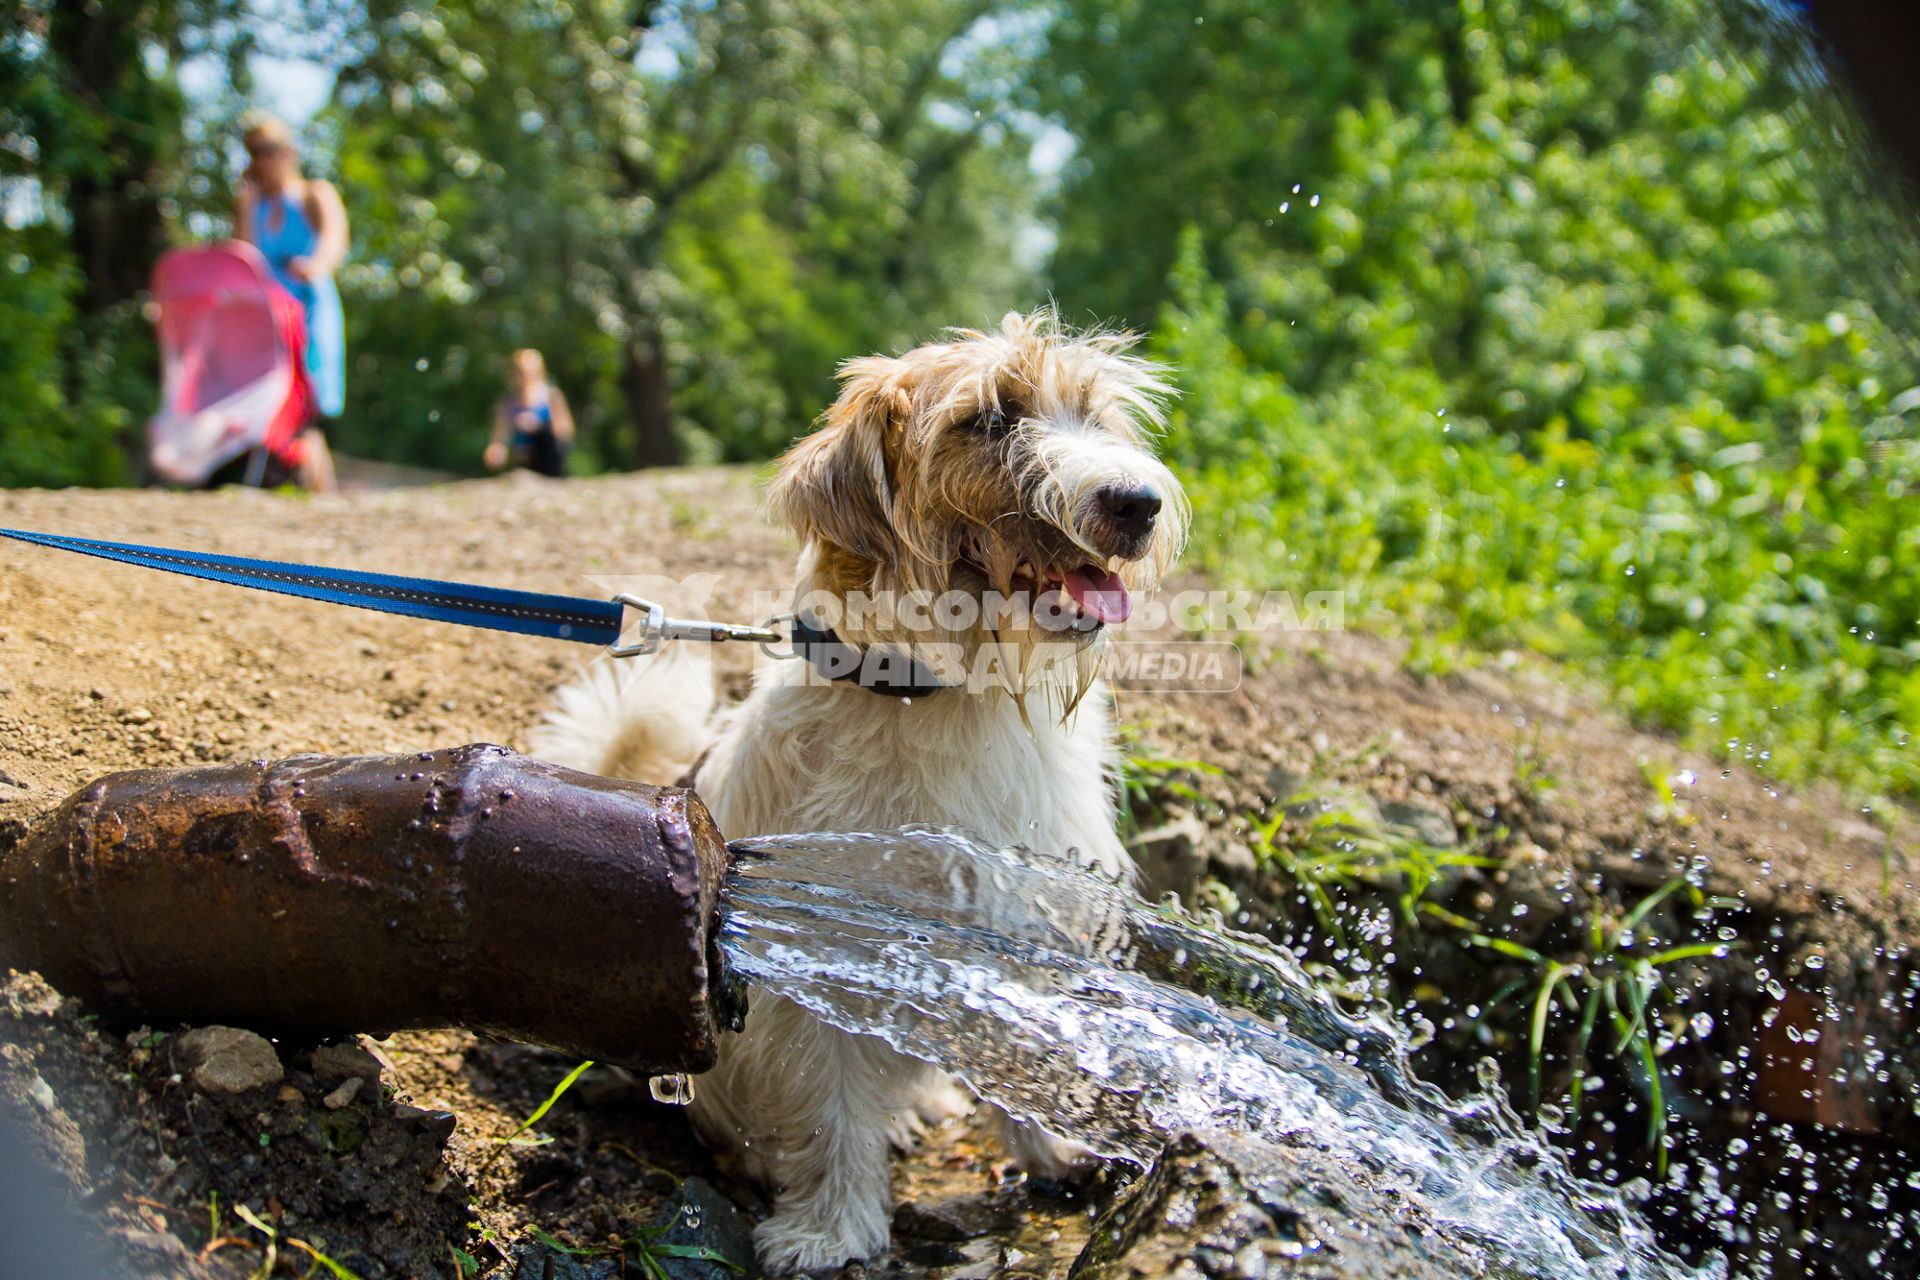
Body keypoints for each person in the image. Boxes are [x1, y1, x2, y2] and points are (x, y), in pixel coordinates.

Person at [234, 113, 345, 492]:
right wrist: (246, 206)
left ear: (289, 150)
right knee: (273, 403)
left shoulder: (315, 194)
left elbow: (335, 240)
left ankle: (323, 502)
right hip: (270, 318)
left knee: (307, 408)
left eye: (268, 150)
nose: (262, 160)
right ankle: (298, 494)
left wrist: (315, 266)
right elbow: (245, 259)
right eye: (254, 152)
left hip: (310, 310)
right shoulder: (256, 205)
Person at [485, 349, 575, 478]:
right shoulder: (508, 402)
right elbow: (500, 435)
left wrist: (539, 425)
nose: (525, 377)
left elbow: (566, 431)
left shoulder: (551, 396)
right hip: (524, 463)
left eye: (529, 372)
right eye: (520, 372)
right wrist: (496, 451)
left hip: (550, 462)